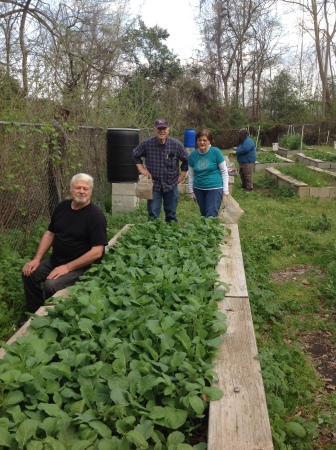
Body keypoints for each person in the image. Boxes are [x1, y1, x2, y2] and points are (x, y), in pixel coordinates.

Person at [22, 173, 108, 316]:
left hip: (81, 266)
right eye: (78, 187)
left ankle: (52, 317)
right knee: (29, 274)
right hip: (56, 260)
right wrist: (37, 259)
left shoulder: (95, 216)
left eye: (85, 188)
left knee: (51, 285)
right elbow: (50, 233)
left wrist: (67, 267)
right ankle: (34, 313)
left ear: (90, 191)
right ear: (71, 190)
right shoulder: (62, 207)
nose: (81, 191)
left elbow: (97, 251)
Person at [132, 118, 189, 222]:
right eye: (159, 128)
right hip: (154, 185)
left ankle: (171, 235)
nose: (162, 131)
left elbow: (186, 159)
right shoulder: (147, 144)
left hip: (171, 184)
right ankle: (153, 236)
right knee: (153, 214)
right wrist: (142, 169)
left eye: (164, 128)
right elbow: (135, 155)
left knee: (171, 213)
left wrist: (182, 175)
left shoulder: (176, 145)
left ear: (168, 130)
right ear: (155, 130)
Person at [188, 129, 229, 218]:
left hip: (214, 188)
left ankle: (212, 231)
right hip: (198, 189)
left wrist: (225, 190)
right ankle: (206, 231)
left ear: (209, 141)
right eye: (199, 140)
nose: (202, 142)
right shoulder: (193, 155)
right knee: (203, 214)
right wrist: (191, 191)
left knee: (211, 214)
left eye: (204, 140)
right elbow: (191, 175)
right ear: (197, 141)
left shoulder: (216, 152)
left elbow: (224, 171)